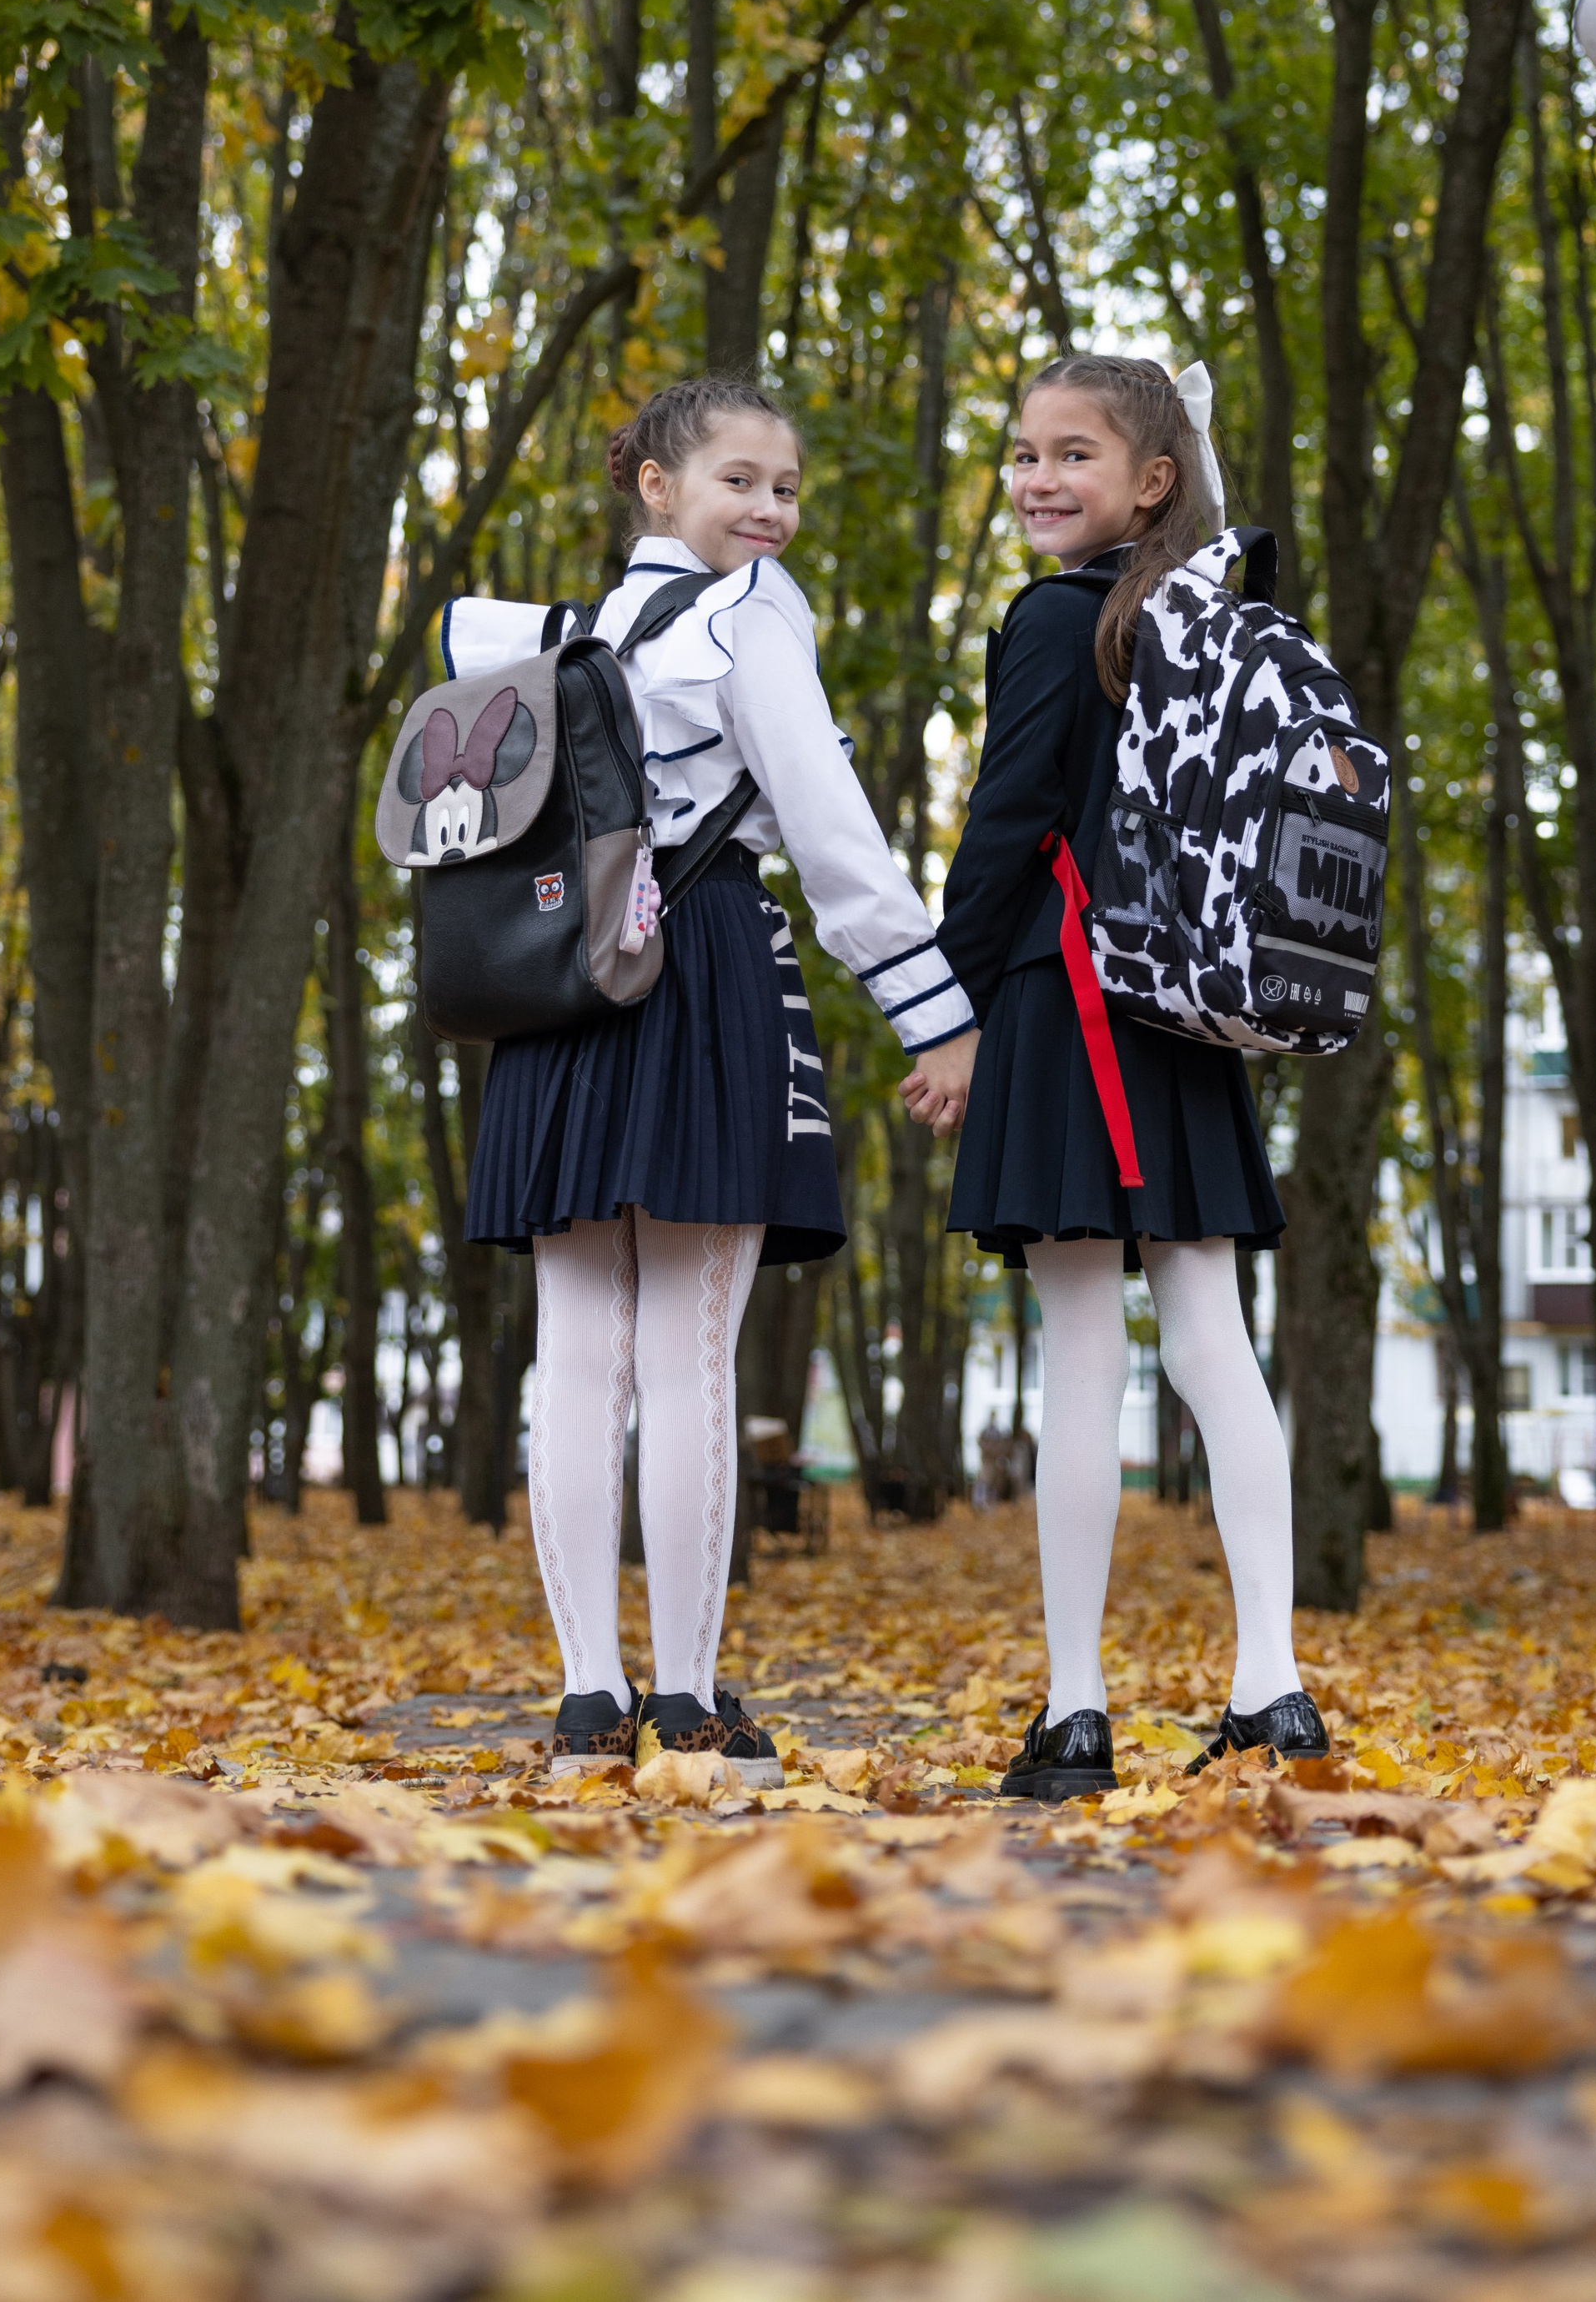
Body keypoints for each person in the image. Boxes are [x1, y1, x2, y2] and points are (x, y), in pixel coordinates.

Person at [456, 377, 978, 1782]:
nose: (770, 511)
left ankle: (586, 1701)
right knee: (681, 1349)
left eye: (786, 488)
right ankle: (679, 1702)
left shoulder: (558, 636)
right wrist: (933, 1009)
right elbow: (833, 831)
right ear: (656, 486)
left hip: (560, 985)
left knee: (575, 1351)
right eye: (740, 480)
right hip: (697, 974)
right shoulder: (751, 618)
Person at [901, 354, 1326, 1802]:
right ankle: (1270, 1681)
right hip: (1186, 1011)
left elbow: (1006, 819)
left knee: (1082, 1350)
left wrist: (935, 1006)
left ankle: (1075, 1707)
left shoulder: (1053, 622)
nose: (1034, 477)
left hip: (1064, 997)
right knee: (1214, 1342)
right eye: (1021, 451)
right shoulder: (1210, 617)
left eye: (1071, 454)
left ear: (1149, 480)